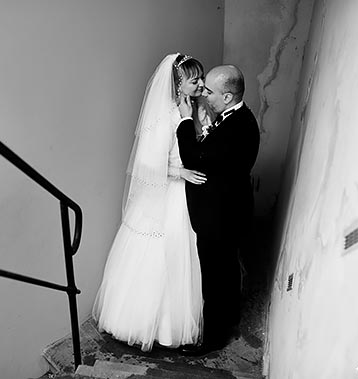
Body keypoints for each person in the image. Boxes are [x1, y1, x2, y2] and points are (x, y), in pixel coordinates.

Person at [93, 53, 208, 351]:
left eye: (201, 79)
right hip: (169, 192)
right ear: (178, 84)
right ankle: (145, 324)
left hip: (185, 193)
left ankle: (171, 327)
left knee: (183, 259)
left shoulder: (193, 109)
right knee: (161, 256)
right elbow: (146, 163)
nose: (200, 84)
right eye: (194, 80)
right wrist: (180, 170)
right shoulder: (165, 116)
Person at [176, 64, 261, 356]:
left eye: (210, 91)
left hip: (219, 217)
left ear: (227, 98)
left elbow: (193, 158)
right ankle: (230, 318)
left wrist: (186, 121)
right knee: (226, 272)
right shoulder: (238, 119)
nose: (204, 94)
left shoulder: (237, 127)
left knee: (214, 277)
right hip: (229, 212)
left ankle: (213, 339)